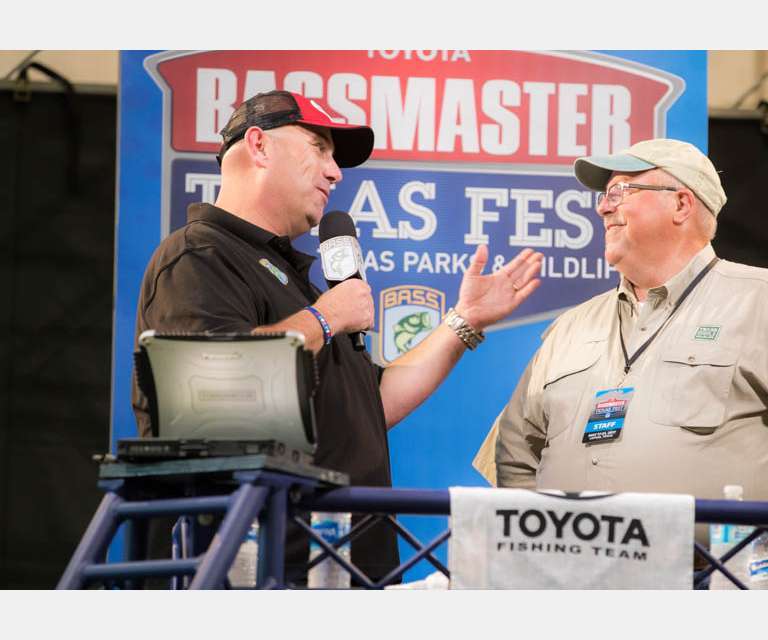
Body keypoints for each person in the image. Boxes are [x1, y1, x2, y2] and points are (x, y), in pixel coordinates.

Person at [132, 90, 543, 583]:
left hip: (347, 567)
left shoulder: (296, 278)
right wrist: (324, 319)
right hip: (255, 573)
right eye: (319, 148)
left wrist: (465, 320)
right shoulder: (199, 256)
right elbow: (211, 384)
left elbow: (372, 403)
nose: (335, 173)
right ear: (259, 145)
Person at [478, 138, 768, 570]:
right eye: (604, 195)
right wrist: (535, 556)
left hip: (714, 584)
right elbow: (514, 454)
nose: (603, 208)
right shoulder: (570, 328)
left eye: (620, 191)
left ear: (681, 204)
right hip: (571, 586)